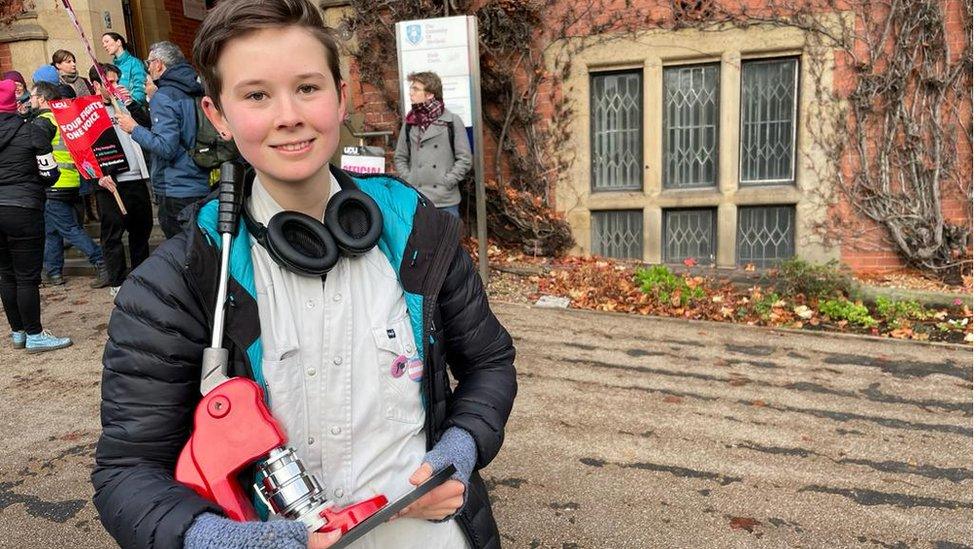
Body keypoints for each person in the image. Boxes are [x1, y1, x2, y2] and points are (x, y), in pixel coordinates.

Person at [91, 1, 516, 548]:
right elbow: (127, 472)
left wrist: (462, 445)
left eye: (308, 87)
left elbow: (489, 364)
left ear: (343, 96)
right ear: (218, 115)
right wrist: (222, 540)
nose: (288, 114)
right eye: (256, 95)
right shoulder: (176, 285)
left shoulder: (422, 237)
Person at [0, 79, 73, 353]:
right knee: (26, 276)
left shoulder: (31, 130)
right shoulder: (31, 132)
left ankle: (18, 332)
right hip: (23, 208)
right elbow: (49, 173)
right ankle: (34, 334)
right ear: (15, 104)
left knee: (6, 275)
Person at [116, 41, 211, 239]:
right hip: (201, 181)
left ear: (159, 64)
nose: (148, 68)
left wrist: (134, 129)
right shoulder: (196, 89)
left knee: (181, 253)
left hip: (176, 187)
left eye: (149, 63)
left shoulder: (165, 96)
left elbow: (166, 147)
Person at [30, 82, 108, 288]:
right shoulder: (63, 119)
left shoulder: (41, 122)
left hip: (54, 183)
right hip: (71, 180)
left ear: (42, 99)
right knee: (51, 230)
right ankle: (53, 271)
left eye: (32, 96)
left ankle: (100, 260)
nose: (29, 100)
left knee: (69, 228)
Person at [88, 64, 154, 296]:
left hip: (136, 176)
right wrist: (97, 176)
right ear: (97, 85)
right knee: (113, 233)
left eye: (117, 81)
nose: (116, 86)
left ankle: (142, 276)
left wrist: (131, 103)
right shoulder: (89, 112)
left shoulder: (124, 106)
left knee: (142, 229)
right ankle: (117, 281)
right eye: (110, 83)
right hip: (111, 181)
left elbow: (147, 125)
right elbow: (82, 150)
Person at [394, 71, 472, 218]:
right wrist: (409, 179)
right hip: (418, 197)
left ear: (430, 94)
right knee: (422, 241)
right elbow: (400, 156)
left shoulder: (452, 121)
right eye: (411, 88)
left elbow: (465, 159)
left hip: (445, 200)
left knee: (448, 241)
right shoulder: (410, 123)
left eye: (415, 89)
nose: (410, 93)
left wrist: (448, 181)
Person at [100, 32, 147, 104]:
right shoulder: (113, 66)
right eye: (103, 43)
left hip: (134, 109)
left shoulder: (135, 63)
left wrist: (131, 102)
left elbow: (141, 91)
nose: (104, 46)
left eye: (107, 41)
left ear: (118, 42)